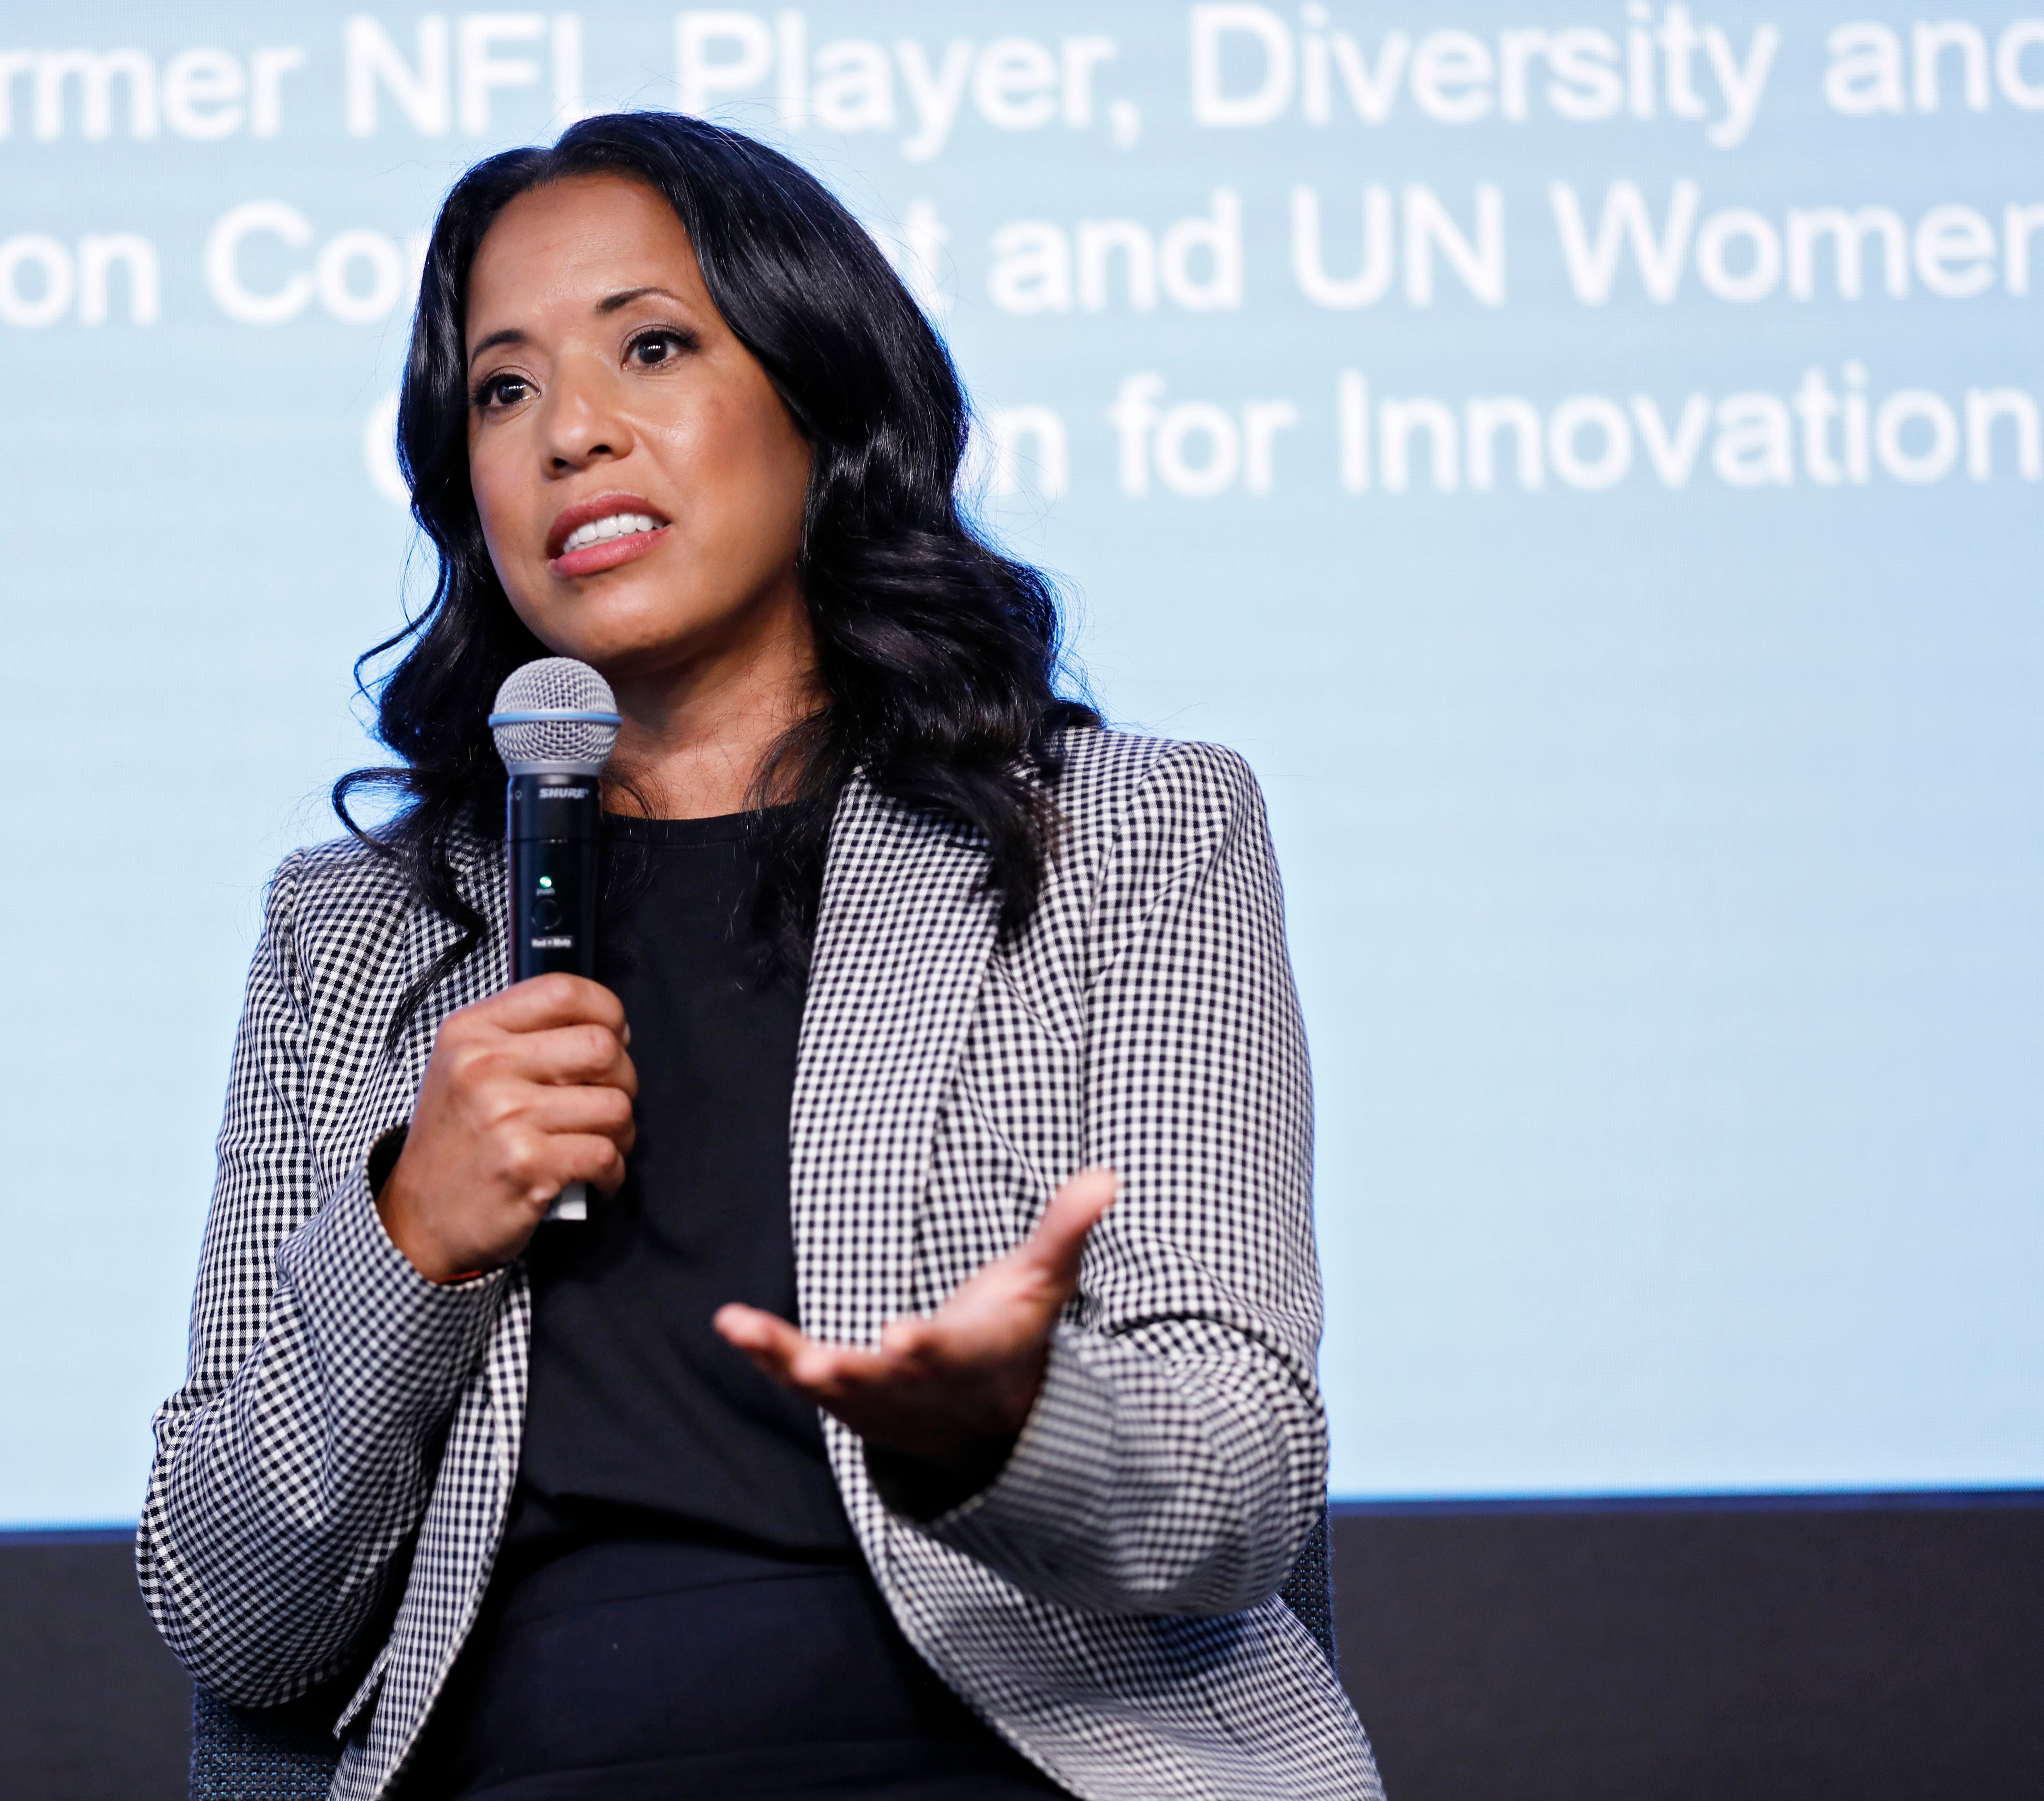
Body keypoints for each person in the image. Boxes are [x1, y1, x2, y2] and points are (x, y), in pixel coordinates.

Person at [138, 113, 1381, 1801]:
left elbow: (1240, 1488)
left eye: (652, 347)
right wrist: (407, 1239)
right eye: (503, 390)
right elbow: (233, 1617)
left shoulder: (1128, 836)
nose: (573, 431)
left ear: (819, 397)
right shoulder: (352, 932)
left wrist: (1012, 1431)